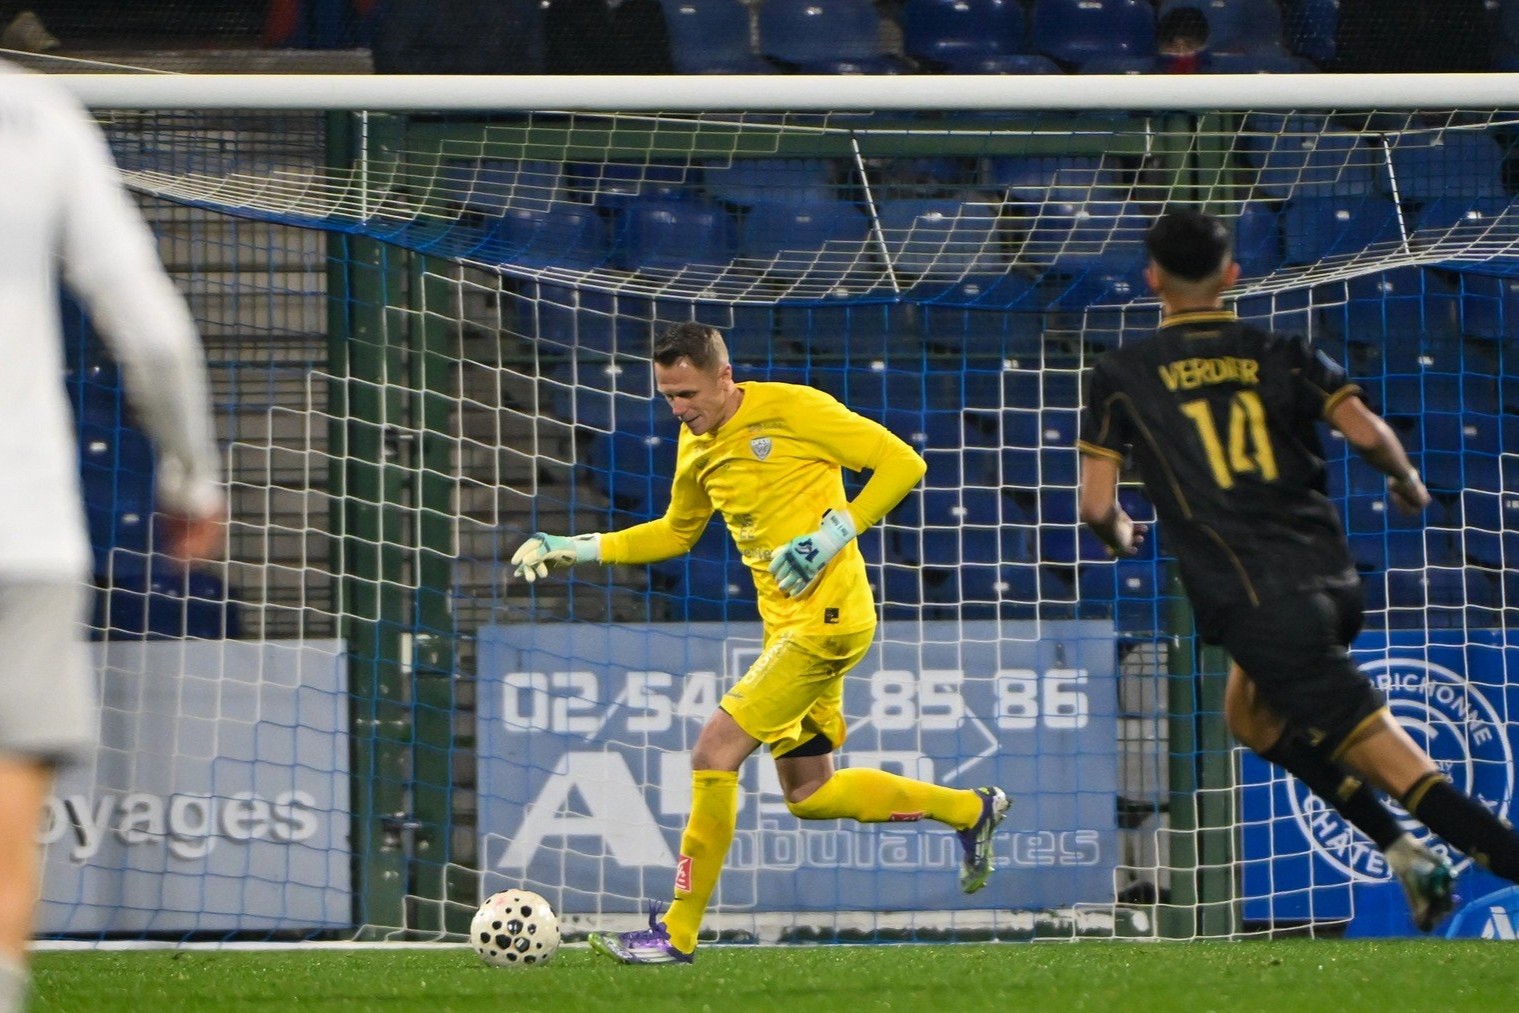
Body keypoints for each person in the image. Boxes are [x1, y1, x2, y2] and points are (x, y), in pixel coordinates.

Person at [1076, 209, 1519, 933]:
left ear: (1151, 277)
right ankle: (1401, 851)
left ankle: (1423, 846)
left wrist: (1120, 530)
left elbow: (1096, 504)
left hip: (1260, 602)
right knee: (1247, 717)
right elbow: (1368, 432)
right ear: (1231, 274)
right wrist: (1406, 482)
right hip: (1330, 580)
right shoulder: (1279, 349)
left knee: (1409, 778)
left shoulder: (1122, 374)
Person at [511, 322, 1009, 964]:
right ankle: (971, 809)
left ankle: (677, 933)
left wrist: (836, 533)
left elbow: (903, 463)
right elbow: (675, 533)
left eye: (688, 393)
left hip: (829, 619)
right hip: (788, 624)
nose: (679, 409)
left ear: (725, 377)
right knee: (810, 795)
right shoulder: (697, 447)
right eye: (667, 396)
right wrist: (576, 548)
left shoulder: (795, 408)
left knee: (713, 752)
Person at [0, 64, 224, 1011]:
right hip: (23, 517)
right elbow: (153, 330)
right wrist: (192, 472)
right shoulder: (34, 113)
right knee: (10, 760)